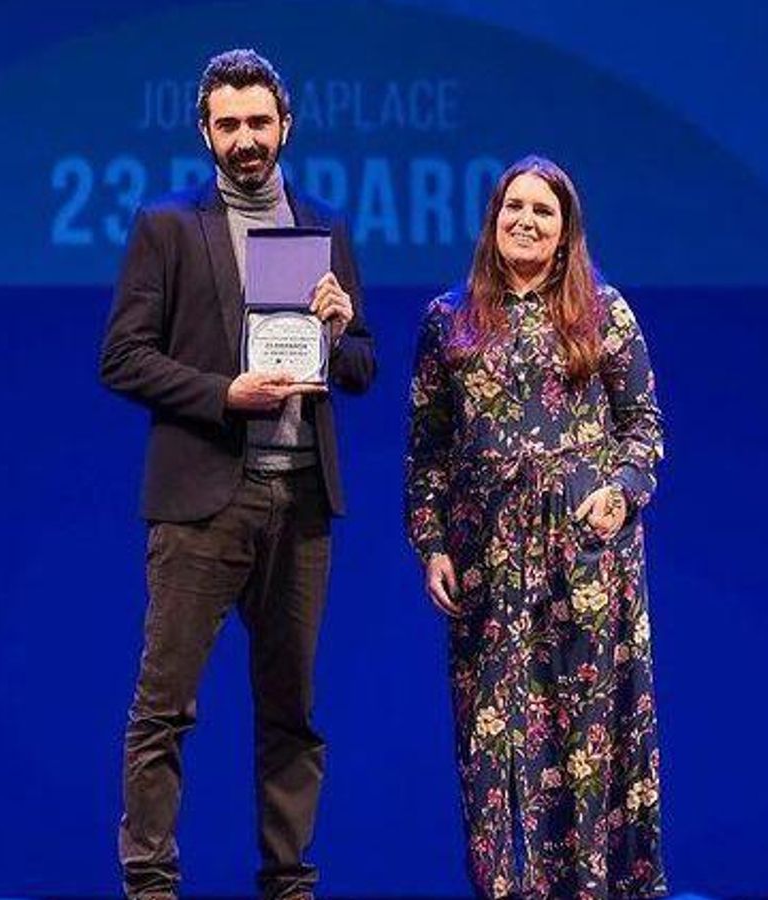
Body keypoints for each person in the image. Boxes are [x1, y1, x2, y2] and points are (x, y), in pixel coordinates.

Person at [99, 48, 375, 900]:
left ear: (285, 125)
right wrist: (226, 392)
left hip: (299, 503)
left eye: (260, 122)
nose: (247, 139)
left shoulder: (321, 226)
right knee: (165, 709)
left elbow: (360, 368)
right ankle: (151, 887)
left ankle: (289, 885)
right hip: (203, 505)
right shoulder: (168, 227)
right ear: (205, 133)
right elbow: (123, 358)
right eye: (229, 125)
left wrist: (340, 327)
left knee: (291, 714)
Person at [403, 156, 666, 899]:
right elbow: (427, 449)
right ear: (492, 222)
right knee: (494, 745)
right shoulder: (446, 320)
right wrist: (430, 545)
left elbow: (643, 426)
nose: (525, 220)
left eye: (543, 211)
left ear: (565, 231)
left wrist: (622, 492)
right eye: (513, 206)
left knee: (585, 737)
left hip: (584, 557)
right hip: (487, 559)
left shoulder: (604, 312)